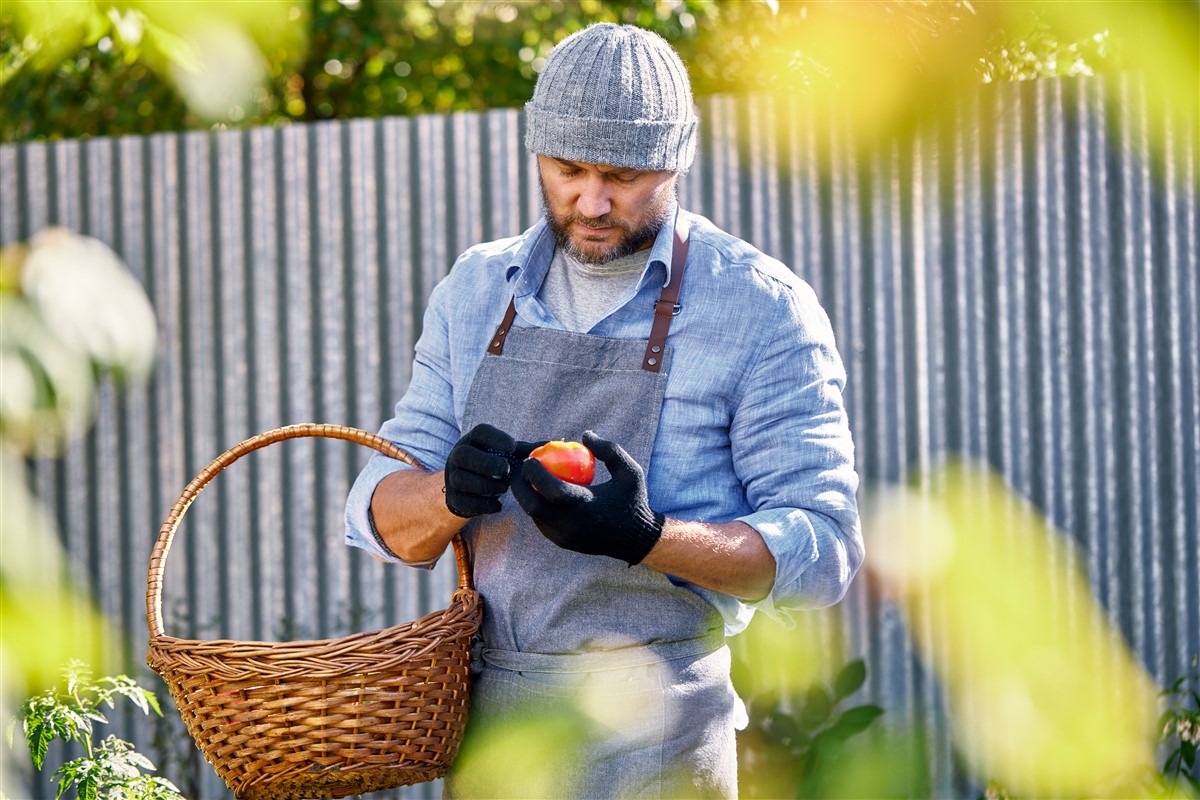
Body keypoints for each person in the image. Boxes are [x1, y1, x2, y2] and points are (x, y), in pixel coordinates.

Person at [344, 22, 862, 799]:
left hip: (667, 735)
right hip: (503, 739)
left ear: (677, 159)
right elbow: (378, 517)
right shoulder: (479, 289)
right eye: (568, 169)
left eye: (623, 174)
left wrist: (647, 538)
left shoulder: (761, 307)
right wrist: (446, 493)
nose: (592, 201)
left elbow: (824, 547)